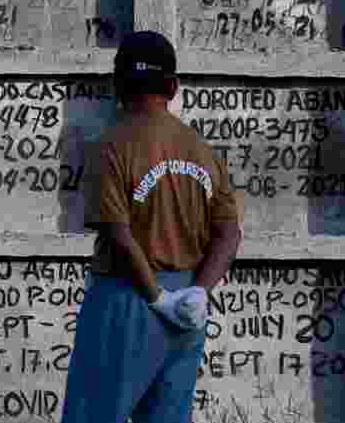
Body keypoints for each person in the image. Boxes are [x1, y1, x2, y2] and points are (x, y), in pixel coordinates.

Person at [59, 31, 244, 423]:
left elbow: (119, 234)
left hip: (129, 298)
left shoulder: (112, 145)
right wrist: (197, 293)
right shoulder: (202, 150)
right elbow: (229, 233)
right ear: (173, 87)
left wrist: (157, 296)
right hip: (187, 308)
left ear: (119, 86)